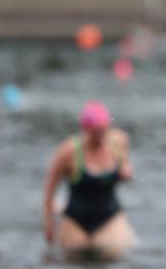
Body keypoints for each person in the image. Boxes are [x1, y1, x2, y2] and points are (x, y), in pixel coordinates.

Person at [42, 101, 135, 260]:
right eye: (95, 132)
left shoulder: (118, 142)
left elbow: (127, 168)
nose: (100, 136)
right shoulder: (68, 151)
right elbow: (49, 188)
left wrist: (126, 172)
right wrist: (49, 223)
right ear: (85, 129)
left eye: (103, 131)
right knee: (73, 265)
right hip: (75, 220)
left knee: (117, 262)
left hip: (109, 217)